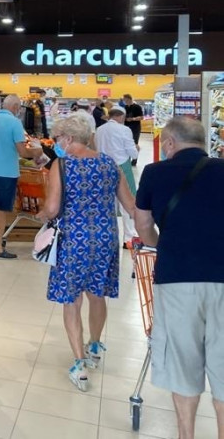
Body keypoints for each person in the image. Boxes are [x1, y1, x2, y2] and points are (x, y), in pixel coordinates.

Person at [132, 118, 224, 439]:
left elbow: (142, 225)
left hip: (176, 279)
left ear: (169, 142)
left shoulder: (155, 173)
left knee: (183, 364)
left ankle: (187, 434)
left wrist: (163, 243)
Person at [37, 114, 136, 393]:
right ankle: (95, 344)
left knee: (72, 300)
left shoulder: (62, 165)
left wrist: (40, 214)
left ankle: (79, 365)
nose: (57, 143)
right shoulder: (109, 163)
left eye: (58, 139)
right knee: (97, 294)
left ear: (68, 139)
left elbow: (53, 208)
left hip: (73, 239)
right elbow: (130, 204)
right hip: (105, 237)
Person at [0, 94, 44, 259]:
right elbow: (23, 151)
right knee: (2, 210)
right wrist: (37, 151)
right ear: (15, 107)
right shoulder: (15, 123)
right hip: (6, 173)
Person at [95, 108, 140, 240]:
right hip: (122, 167)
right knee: (127, 201)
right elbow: (133, 153)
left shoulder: (100, 129)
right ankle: (128, 237)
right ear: (121, 117)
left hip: (103, 167)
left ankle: (108, 236)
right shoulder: (124, 130)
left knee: (107, 202)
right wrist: (137, 149)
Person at [122, 94, 144, 166]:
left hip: (135, 128)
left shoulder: (137, 107)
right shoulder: (125, 107)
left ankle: (134, 159)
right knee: (126, 143)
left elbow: (141, 117)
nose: (125, 101)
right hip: (126, 128)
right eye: (124, 100)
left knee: (135, 143)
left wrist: (132, 119)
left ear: (129, 99)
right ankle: (127, 159)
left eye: (125, 99)